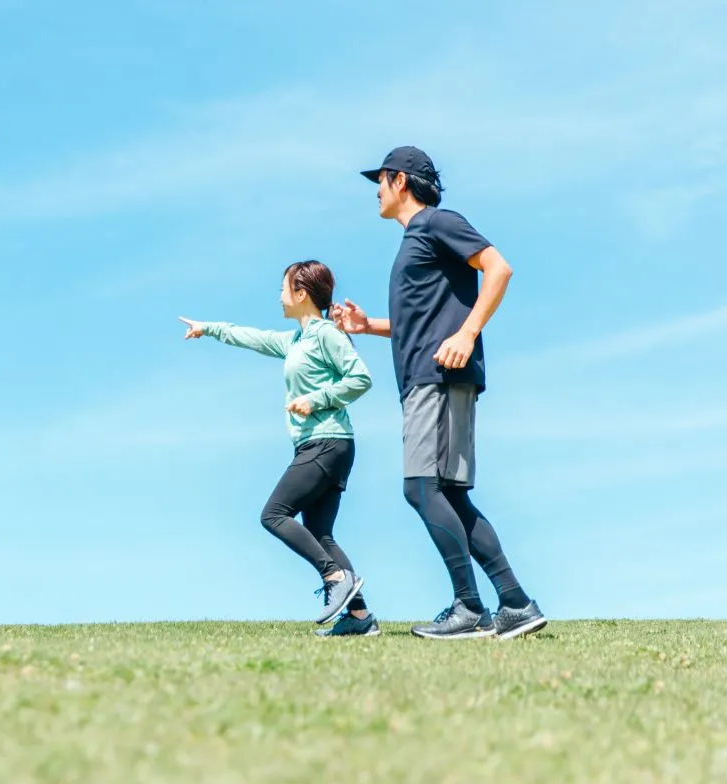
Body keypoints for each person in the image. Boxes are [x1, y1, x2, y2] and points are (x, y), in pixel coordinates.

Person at [333, 146, 546, 640]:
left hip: (439, 377)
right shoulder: (416, 240)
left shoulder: (436, 223)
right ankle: (513, 603)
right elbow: (419, 321)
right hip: (423, 379)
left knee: (421, 487)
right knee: (447, 492)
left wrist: (468, 333)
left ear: (400, 180)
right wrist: (367, 327)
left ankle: (471, 608)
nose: (377, 191)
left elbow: (498, 268)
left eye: (380, 181)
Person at [180, 261, 380, 635]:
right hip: (318, 444)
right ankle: (359, 618)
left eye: (284, 289)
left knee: (274, 514)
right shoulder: (297, 340)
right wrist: (209, 329)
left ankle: (334, 577)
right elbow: (253, 338)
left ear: (301, 294)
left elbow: (361, 378)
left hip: (328, 441)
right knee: (320, 534)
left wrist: (316, 399)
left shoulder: (326, 334)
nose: (280, 296)